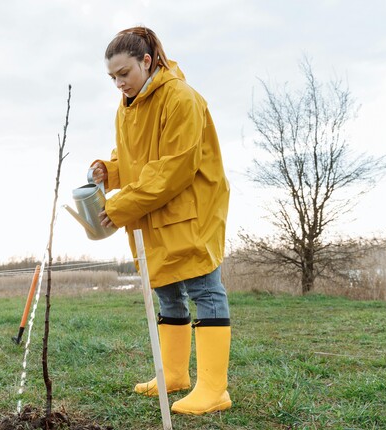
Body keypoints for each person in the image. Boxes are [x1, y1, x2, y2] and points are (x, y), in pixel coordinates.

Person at [90, 26, 232, 415]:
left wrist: (119, 207)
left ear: (147, 62)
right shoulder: (128, 107)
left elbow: (174, 169)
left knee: (204, 288)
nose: (118, 83)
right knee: (167, 289)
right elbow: (134, 159)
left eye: (124, 73)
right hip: (152, 212)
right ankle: (174, 375)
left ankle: (214, 389)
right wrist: (109, 171)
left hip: (190, 209)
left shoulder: (181, 99)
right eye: (112, 77)